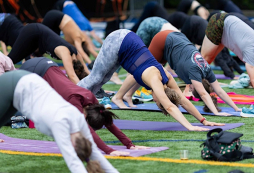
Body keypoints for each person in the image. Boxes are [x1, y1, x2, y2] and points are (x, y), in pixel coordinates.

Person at [0, 70, 121, 173]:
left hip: (22, 91)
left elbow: (96, 157)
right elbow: (73, 163)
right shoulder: (61, 123)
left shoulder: (79, 121)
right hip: (11, 85)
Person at [78, 29, 224, 130]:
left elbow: (182, 100)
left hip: (127, 44)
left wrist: (203, 121)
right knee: (96, 77)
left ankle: (82, 105)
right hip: (119, 40)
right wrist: (190, 126)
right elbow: (170, 106)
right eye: (157, 101)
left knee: (103, 79)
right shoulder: (155, 80)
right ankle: (70, 96)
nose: (154, 100)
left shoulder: (167, 78)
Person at [20, 57, 149, 156]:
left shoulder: (90, 99)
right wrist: (109, 150)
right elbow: (86, 130)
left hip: (48, 66)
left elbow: (109, 123)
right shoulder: (74, 100)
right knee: (16, 107)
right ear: (86, 115)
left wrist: (129, 145)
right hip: (33, 69)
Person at [147, 30, 241, 116]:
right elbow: (203, 94)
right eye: (192, 90)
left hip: (176, 37)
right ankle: (130, 98)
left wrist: (236, 108)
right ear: (195, 86)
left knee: (150, 71)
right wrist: (216, 112)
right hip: (165, 39)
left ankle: (130, 98)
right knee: (145, 68)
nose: (190, 89)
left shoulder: (207, 70)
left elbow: (220, 91)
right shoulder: (194, 73)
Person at [201, 13, 254, 97]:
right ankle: (189, 87)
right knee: (205, 59)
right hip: (219, 22)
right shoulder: (250, 54)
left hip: (228, 27)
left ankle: (198, 83)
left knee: (210, 58)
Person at [7, 23, 86, 84]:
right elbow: (72, 77)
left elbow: (87, 73)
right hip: (33, 31)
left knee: (24, 61)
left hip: (38, 41)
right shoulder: (66, 54)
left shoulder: (77, 55)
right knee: (10, 59)